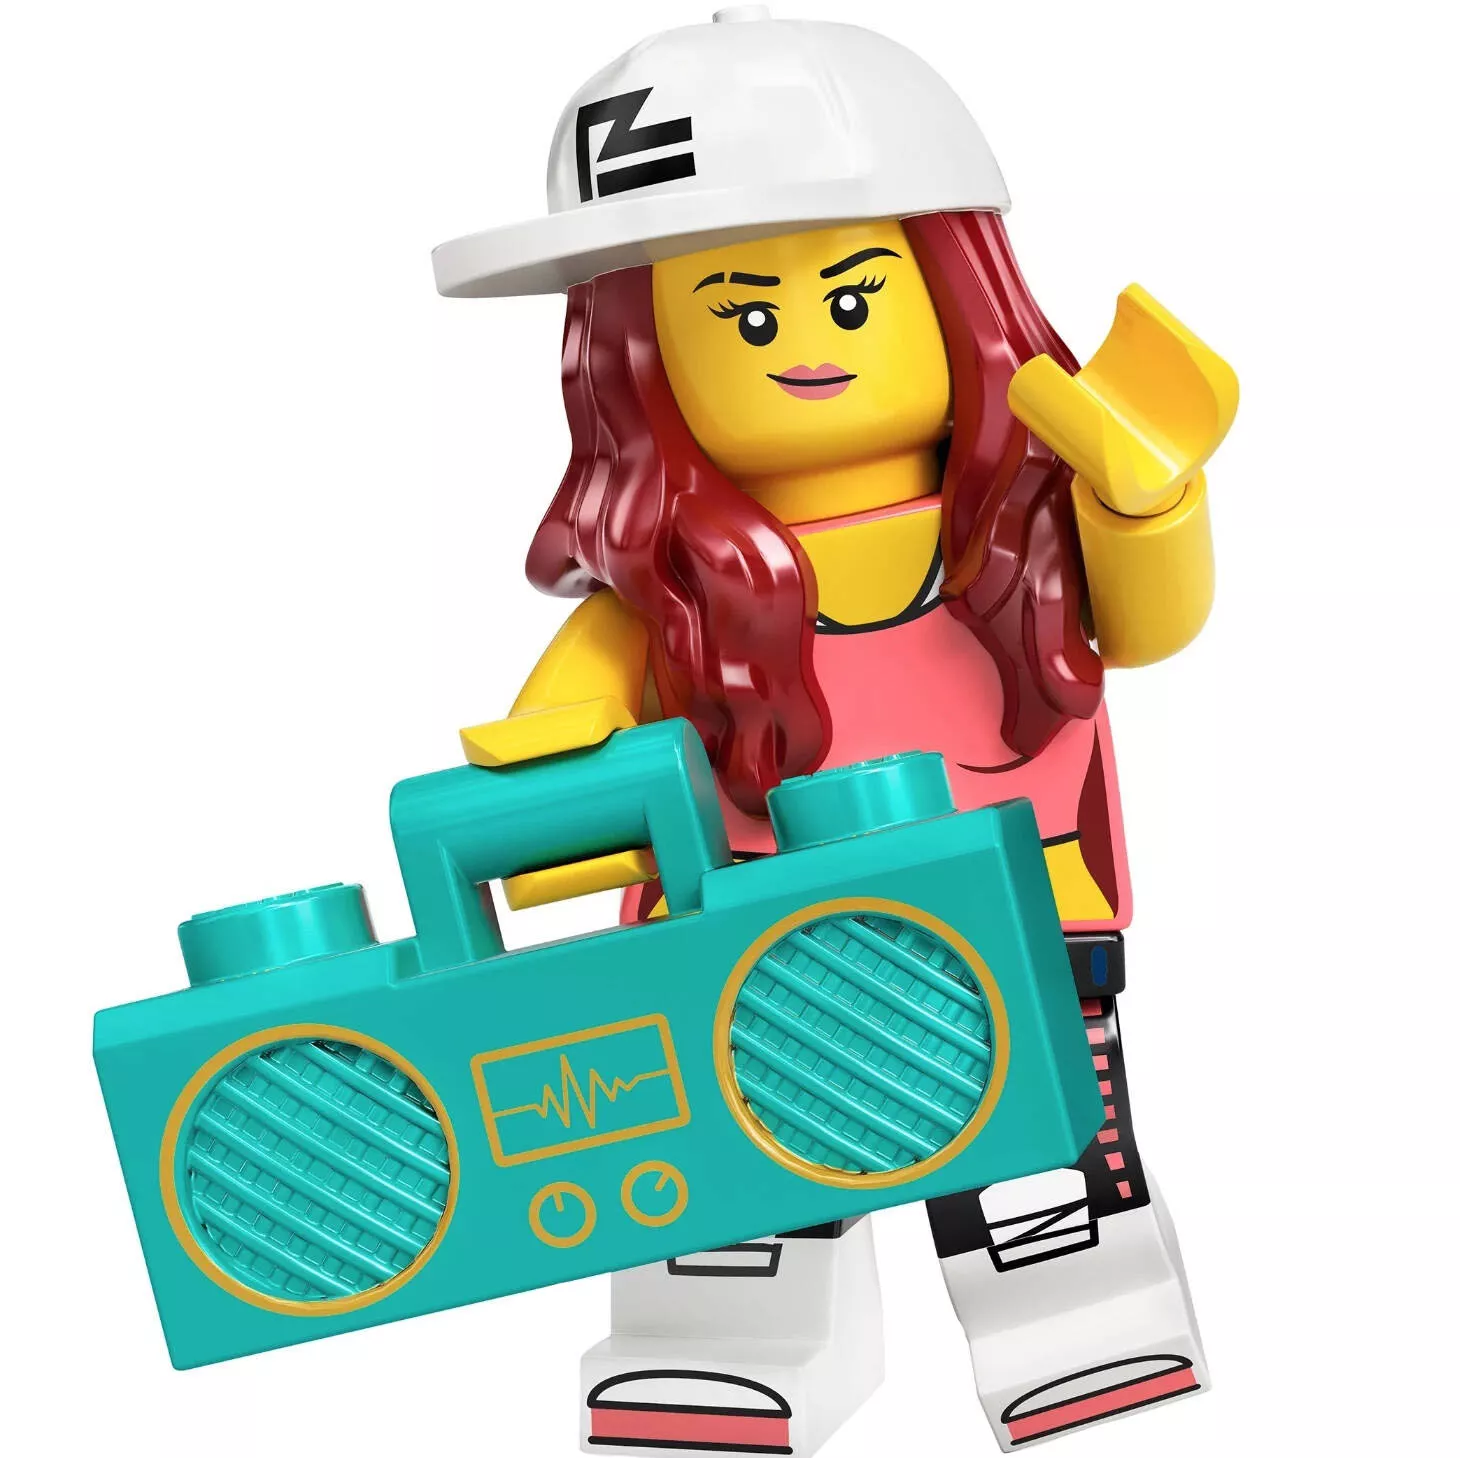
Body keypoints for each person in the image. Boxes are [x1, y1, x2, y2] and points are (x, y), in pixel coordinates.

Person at [434, 8, 1236, 1453]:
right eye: (743, 318)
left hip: (1016, 909)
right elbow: (564, 739)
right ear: (638, 353)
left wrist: (1144, 503)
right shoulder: (673, 589)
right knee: (739, 1168)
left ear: (954, 290)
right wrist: (552, 788)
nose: (802, 344)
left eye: (852, 299)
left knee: (1035, 1148)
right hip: (744, 938)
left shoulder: (1017, 532)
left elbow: (1151, 621)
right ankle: (732, 1351)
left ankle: (1079, 1323)